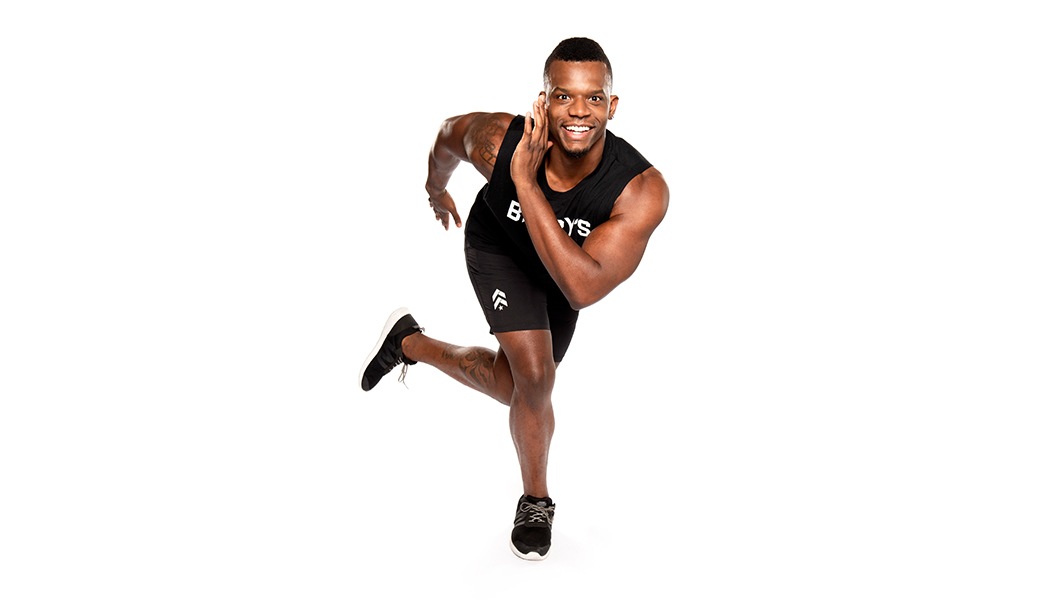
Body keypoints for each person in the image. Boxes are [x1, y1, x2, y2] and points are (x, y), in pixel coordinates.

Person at [358, 37, 669, 561]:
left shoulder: (638, 190)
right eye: (563, 96)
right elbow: (447, 135)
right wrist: (436, 189)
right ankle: (536, 499)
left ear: (612, 106)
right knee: (535, 381)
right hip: (497, 247)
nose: (578, 112)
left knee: (516, 387)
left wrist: (526, 186)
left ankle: (408, 343)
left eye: (594, 98)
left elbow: (582, 288)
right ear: (543, 101)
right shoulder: (502, 140)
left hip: (566, 273)